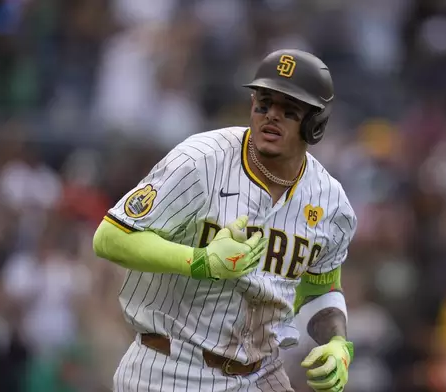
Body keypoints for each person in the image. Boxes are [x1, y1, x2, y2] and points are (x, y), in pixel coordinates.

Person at [93, 49, 357, 392]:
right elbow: (110, 237)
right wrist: (200, 261)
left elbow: (322, 288)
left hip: (261, 373)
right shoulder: (201, 161)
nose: (271, 116)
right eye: (264, 103)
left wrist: (337, 343)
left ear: (315, 122)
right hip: (170, 368)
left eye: (288, 109)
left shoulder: (331, 202)